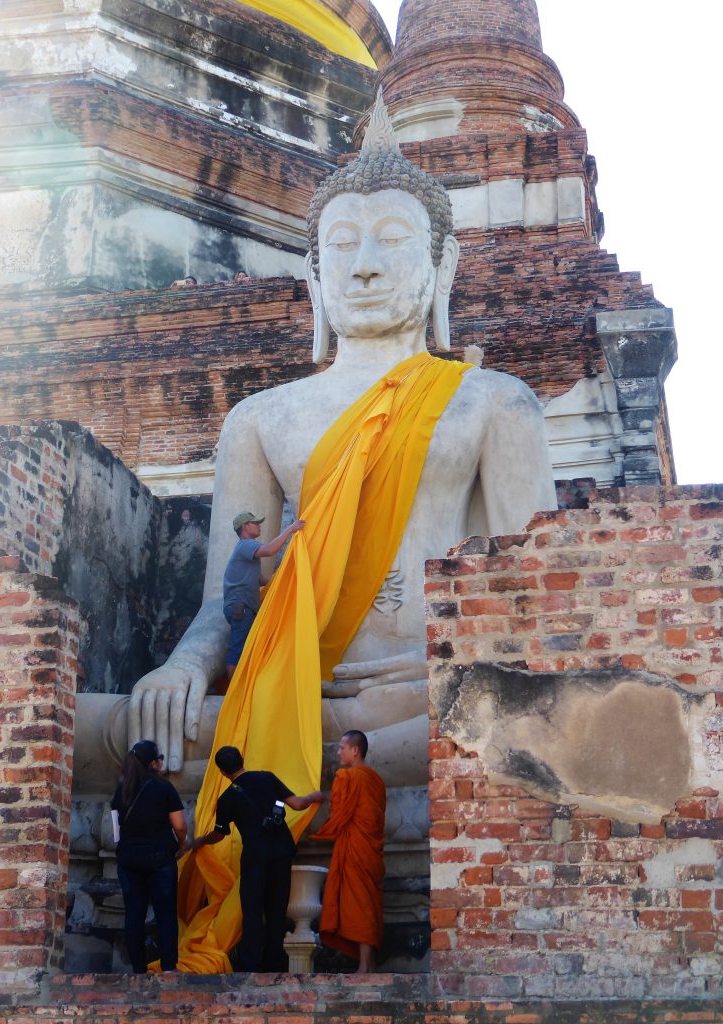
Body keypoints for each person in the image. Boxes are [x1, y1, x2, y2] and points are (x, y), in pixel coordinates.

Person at [128, 93, 557, 783]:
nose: (363, 266)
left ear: (444, 265)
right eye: (341, 245)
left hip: (432, 692)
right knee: (125, 731)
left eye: (391, 239)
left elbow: (531, 588)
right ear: (316, 277)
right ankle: (350, 780)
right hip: (290, 690)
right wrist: (182, 666)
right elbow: (233, 596)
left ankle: (326, 784)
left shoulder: (494, 403)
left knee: (512, 723)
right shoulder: (262, 417)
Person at [194, 745, 324, 971]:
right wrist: (315, 795)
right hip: (281, 853)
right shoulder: (266, 778)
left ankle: (250, 966)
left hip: (254, 856)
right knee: (277, 910)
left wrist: (200, 841)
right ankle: (275, 964)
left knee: (252, 911)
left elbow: (219, 834)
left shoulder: (226, 799)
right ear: (242, 760)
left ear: (222, 772)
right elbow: (298, 804)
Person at [310, 730, 386, 973]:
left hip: (357, 847)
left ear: (356, 750)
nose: (338, 752)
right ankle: (369, 963)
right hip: (368, 849)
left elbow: (338, 814)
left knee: (361, 904)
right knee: (367, 903)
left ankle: (364, 966)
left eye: (342, 747)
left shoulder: (348, 777)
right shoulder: (376, 780)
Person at [111, 739, 188, 973]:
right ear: (154, 762)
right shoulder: (164, 787)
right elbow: (180, 824)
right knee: (165, 914)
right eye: (161, 758)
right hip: (159, 856)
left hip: (129, 857)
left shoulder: (122, 789)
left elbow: (116, 830)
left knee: (134, 914)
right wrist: (183, 843)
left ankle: (138, 969)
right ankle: (168, 967)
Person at [223, 511, 305, 680]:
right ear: (245, 526)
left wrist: (283, 578)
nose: (259, 525)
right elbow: (268, 550)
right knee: (237, 649)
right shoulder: (246, 545)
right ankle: (232, 694)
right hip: (241, 606)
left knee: (244, 649)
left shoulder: (247, 552)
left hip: (243, 607)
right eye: (255, 523)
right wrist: (291, 529)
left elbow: (261, 580)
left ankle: (238, 688)